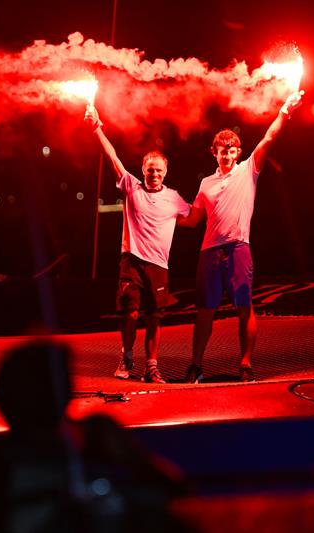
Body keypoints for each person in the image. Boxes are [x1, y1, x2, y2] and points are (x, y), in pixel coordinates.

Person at [180, 91, 304, 383]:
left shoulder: (249, 169)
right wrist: (159, 212)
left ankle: (245, 364)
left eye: (231, 149)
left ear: (238, 152)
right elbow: (194, 219)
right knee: (204, 311)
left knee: (244, 307)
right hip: (209, 252)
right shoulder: (205, 183)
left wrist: (285, 110)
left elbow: (269, 138)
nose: (227, 153)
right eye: (222, 149)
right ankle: (196, 365)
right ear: (214, 152)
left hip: (238, 249)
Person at [85, 105, 192, 384]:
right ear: (142, 170)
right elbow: (112, 156)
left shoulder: (175, 199)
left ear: (165, 172)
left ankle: (152, 367)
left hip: (159, 266)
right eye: (149, 169)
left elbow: (194, 219)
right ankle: (128, 355)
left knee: (154, 317)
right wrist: (97, 127)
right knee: (130, 314)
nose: (153, 173)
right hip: (131, 261)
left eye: (158, 170)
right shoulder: (131, 186)